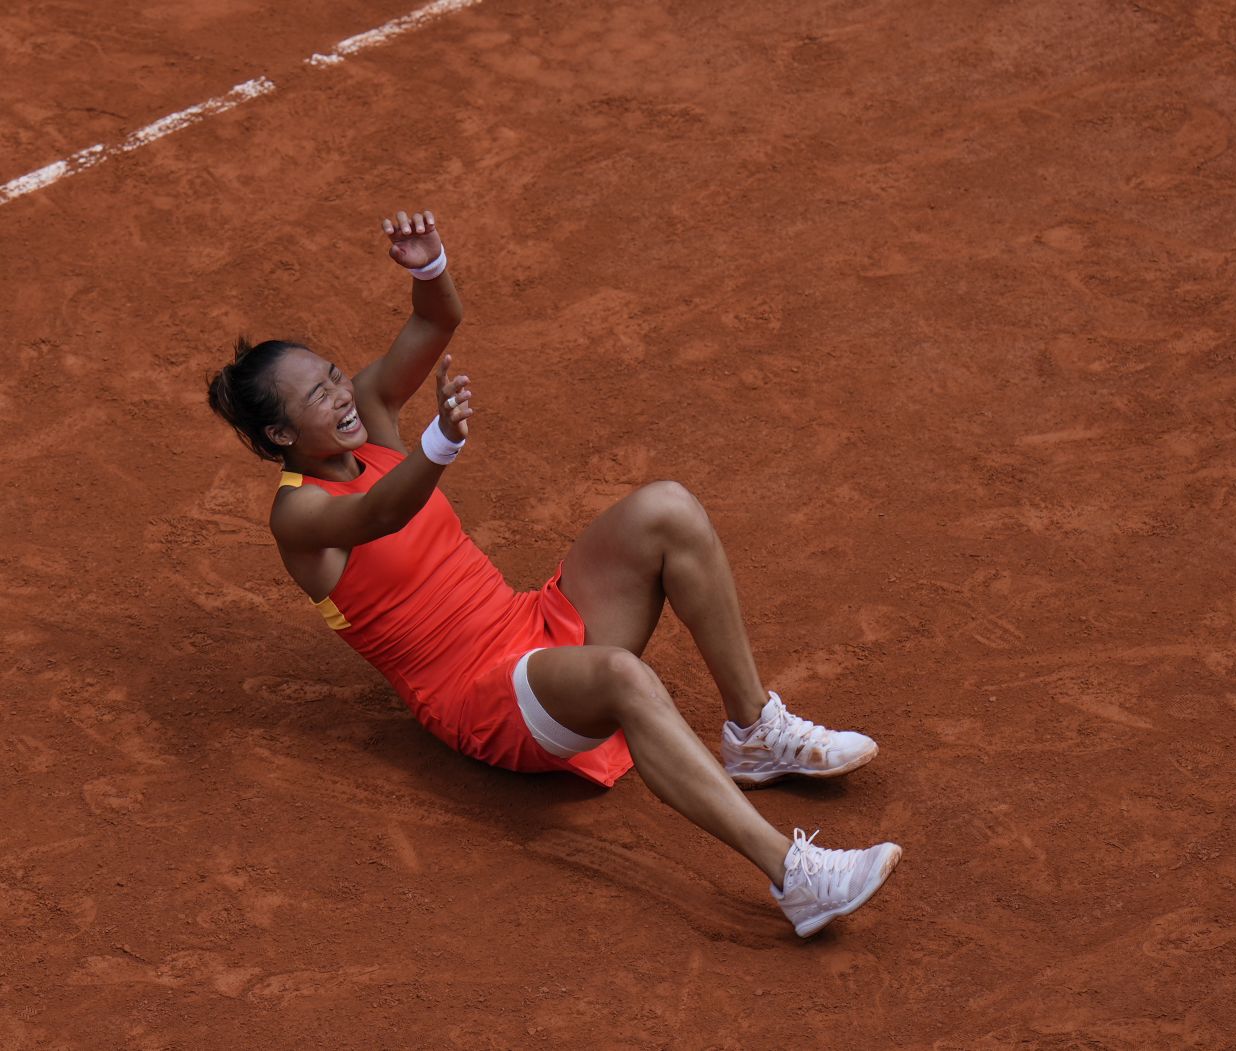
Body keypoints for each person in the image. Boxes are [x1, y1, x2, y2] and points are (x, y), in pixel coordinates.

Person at [205, 208, 901, 937]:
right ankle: (796, 879)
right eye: (317, 395)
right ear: (280, 434)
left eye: (334, 374)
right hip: (479, 697)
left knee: (668, 508)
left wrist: (428, 267)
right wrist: (439, 442)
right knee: (623, 678)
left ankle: (754, 730)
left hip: (526, 625)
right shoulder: (299, 518)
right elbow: (380, 513)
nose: (343, 394)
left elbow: (435, 323)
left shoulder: (371, 414)